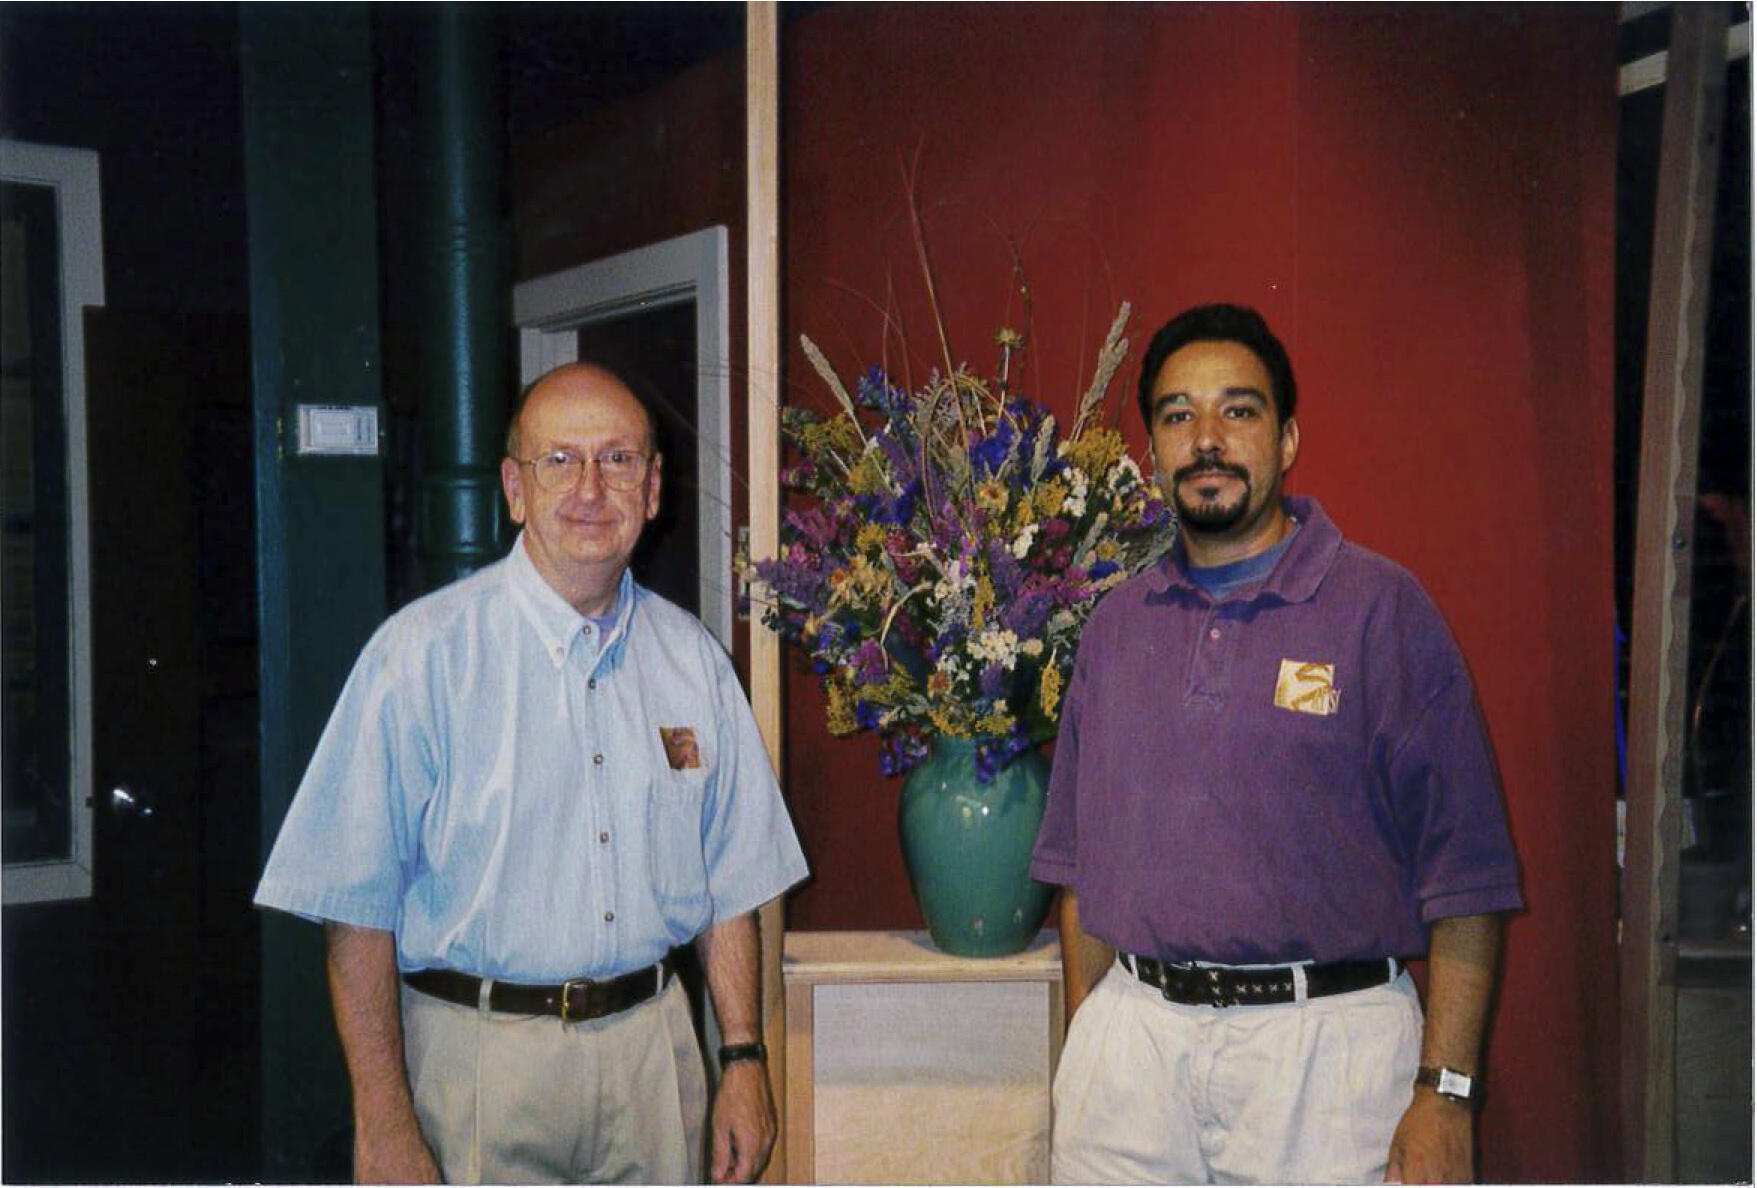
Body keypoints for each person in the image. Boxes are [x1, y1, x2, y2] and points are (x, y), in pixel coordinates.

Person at [256, 362, 808, 1185]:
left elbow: (733, 884)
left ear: (654, 488)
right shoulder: (421, 658)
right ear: (514, 489)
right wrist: (382, 1120)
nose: (591, 488)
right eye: (559, 461)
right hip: (479, 1068)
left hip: (655, 1063)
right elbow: (353, 908)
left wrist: (742, 1058)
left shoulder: (693, 662)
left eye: (618, 459)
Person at [1030, 304, 1522, 1184]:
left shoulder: (1381, 611)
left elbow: (1468, 879)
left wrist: (1446, 1093)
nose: (1206, 440)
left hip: (1327, 1063)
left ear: (1287, 439)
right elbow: (1079, 876)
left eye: (1238, 410)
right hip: (1130, 1060)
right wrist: (1085, 1054)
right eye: (1177, 415)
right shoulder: (1113, 629)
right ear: (1152, 451)